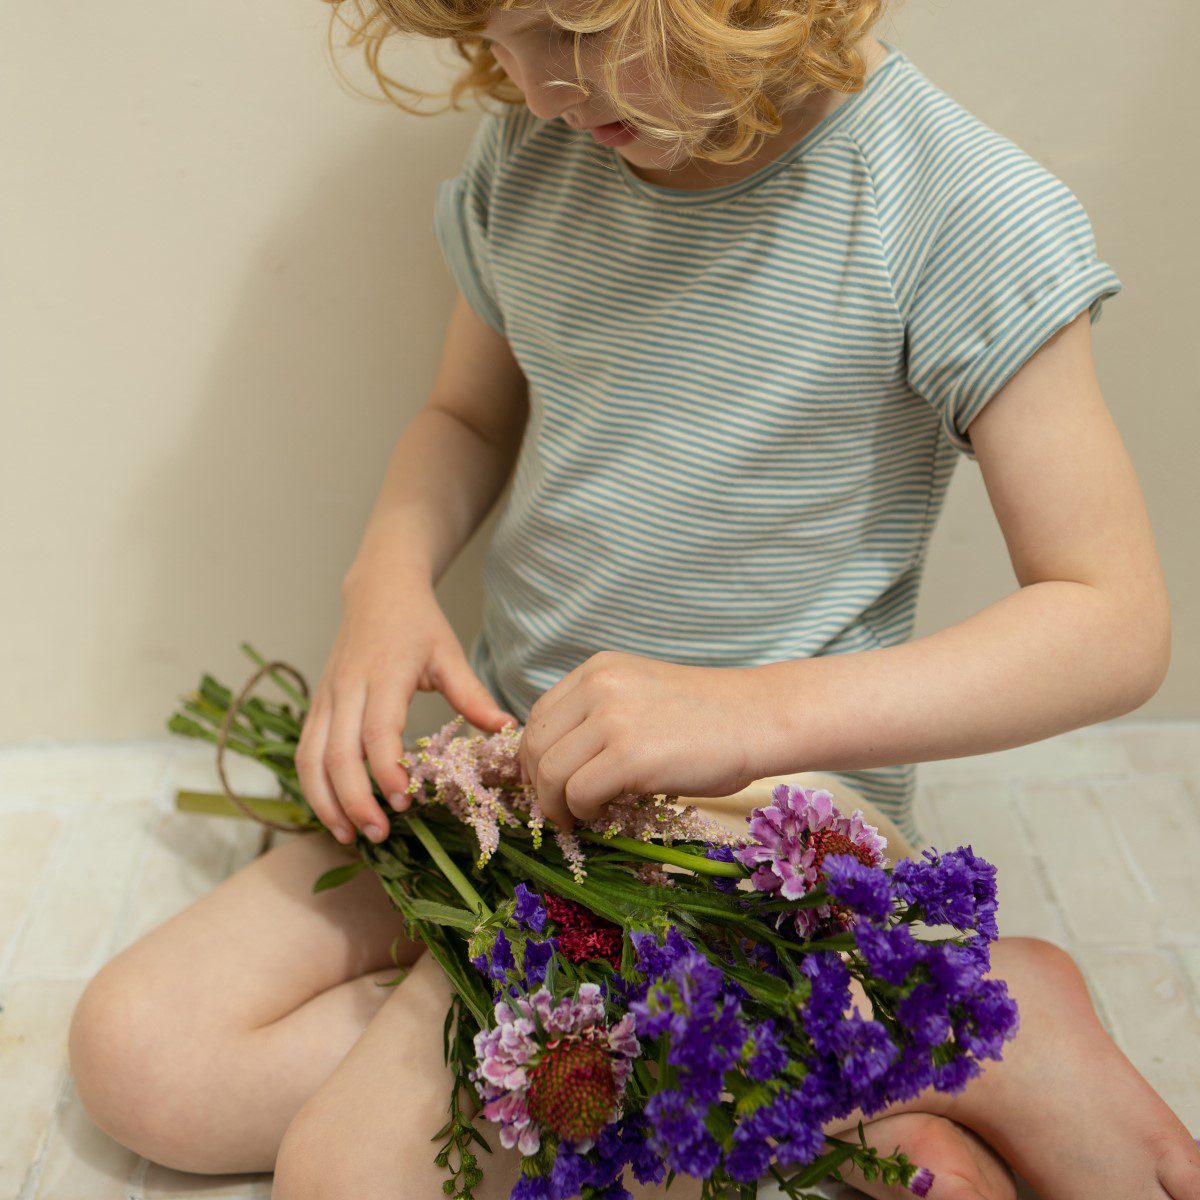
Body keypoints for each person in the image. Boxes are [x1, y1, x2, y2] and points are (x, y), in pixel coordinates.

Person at [65, 0, 1200, 1197]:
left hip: (739, 827)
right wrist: (385, 581)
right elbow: (464, 417)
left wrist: (747, 717)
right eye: (504, 33)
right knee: (141, 1056)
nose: (540, 84)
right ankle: (841, 1069)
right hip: (507, 773)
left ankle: (932, 1027)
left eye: (573, 25)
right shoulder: (543, 149)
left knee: (346, 1175)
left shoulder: (952, 205)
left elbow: (1112, 619)